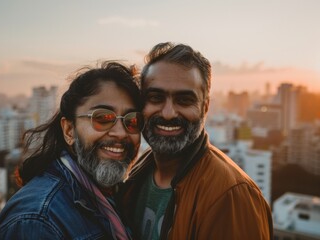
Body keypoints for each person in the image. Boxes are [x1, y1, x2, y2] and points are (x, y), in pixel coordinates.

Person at [117, 42, 273, 239]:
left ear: (205, 107)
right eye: (156, 97)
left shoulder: (231, 195)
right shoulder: (138, 170)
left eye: (184, 100)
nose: (168, 113)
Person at [0, 61, 144, 240]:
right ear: (69, 130)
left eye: (132, 120)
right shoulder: (38, 222)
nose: (120, 133)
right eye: (102, 118)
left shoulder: (115, 197)